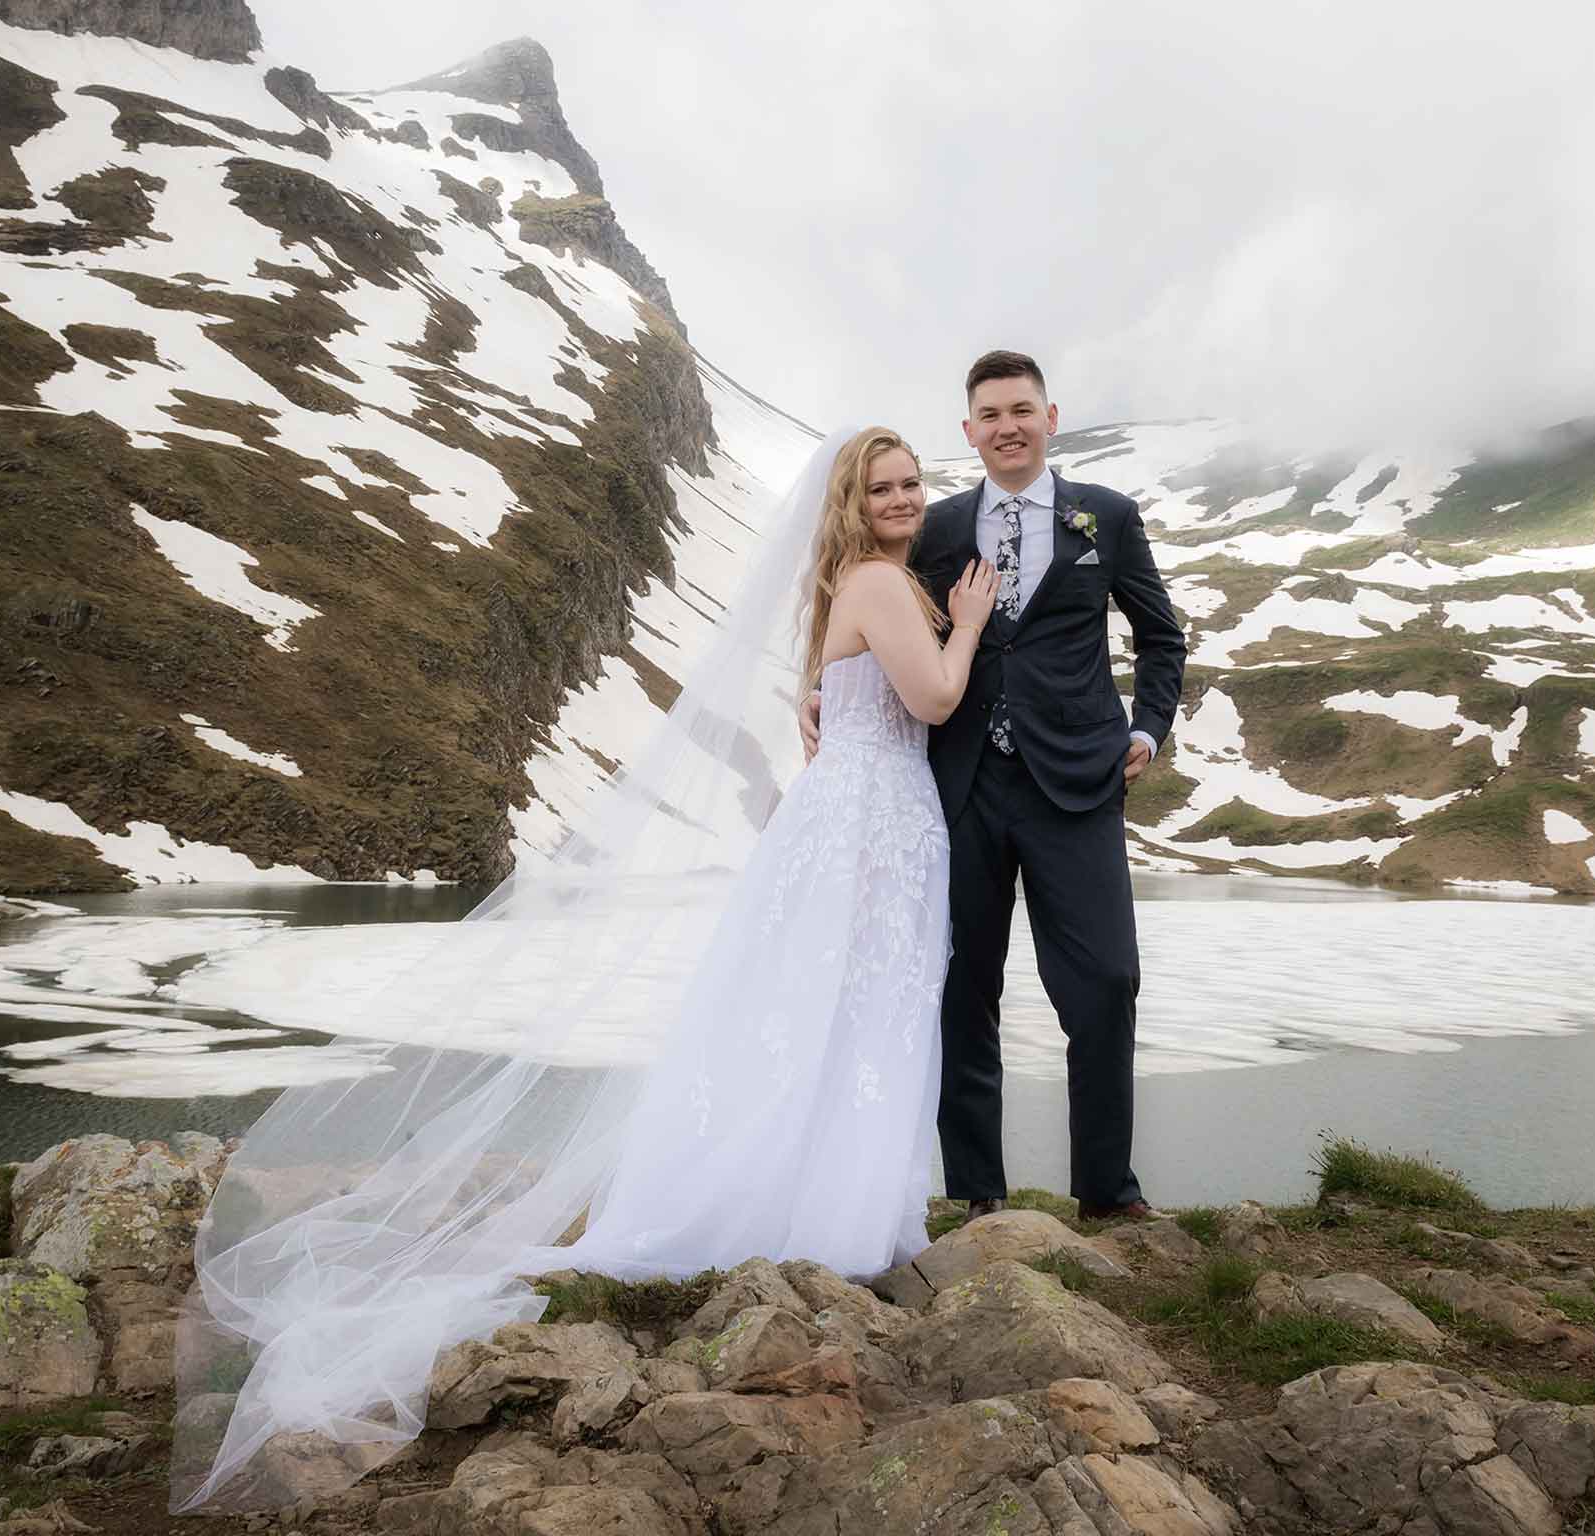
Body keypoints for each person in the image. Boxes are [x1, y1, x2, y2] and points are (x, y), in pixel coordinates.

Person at [172, 427, 996, 1511]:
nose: (902, 497)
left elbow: (849, 710)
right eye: (881, 485)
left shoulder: (856, 582)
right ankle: (836, 1213)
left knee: (835, 1016)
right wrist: (971, 625)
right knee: (859, 1014)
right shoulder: (888, 584)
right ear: (853, 500)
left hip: (861, 817)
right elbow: (933, 700)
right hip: (872, 824)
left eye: (911, 483)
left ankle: (825, 1200)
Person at [801, 350, 1187, 1221]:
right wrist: (818, 690)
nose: (1007, 426)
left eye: (1022, 409)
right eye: (990, 414)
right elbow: (859, 612)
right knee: (959, 989)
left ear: (1050, 419)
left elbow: (1163, 638)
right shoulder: (929, 529)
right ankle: (978, 1194)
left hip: (1076, 785)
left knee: (1106, 982)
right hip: (957, 788)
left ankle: (1107, 1193)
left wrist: (1147, 728)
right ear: (968, 430)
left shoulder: (1108, 518)